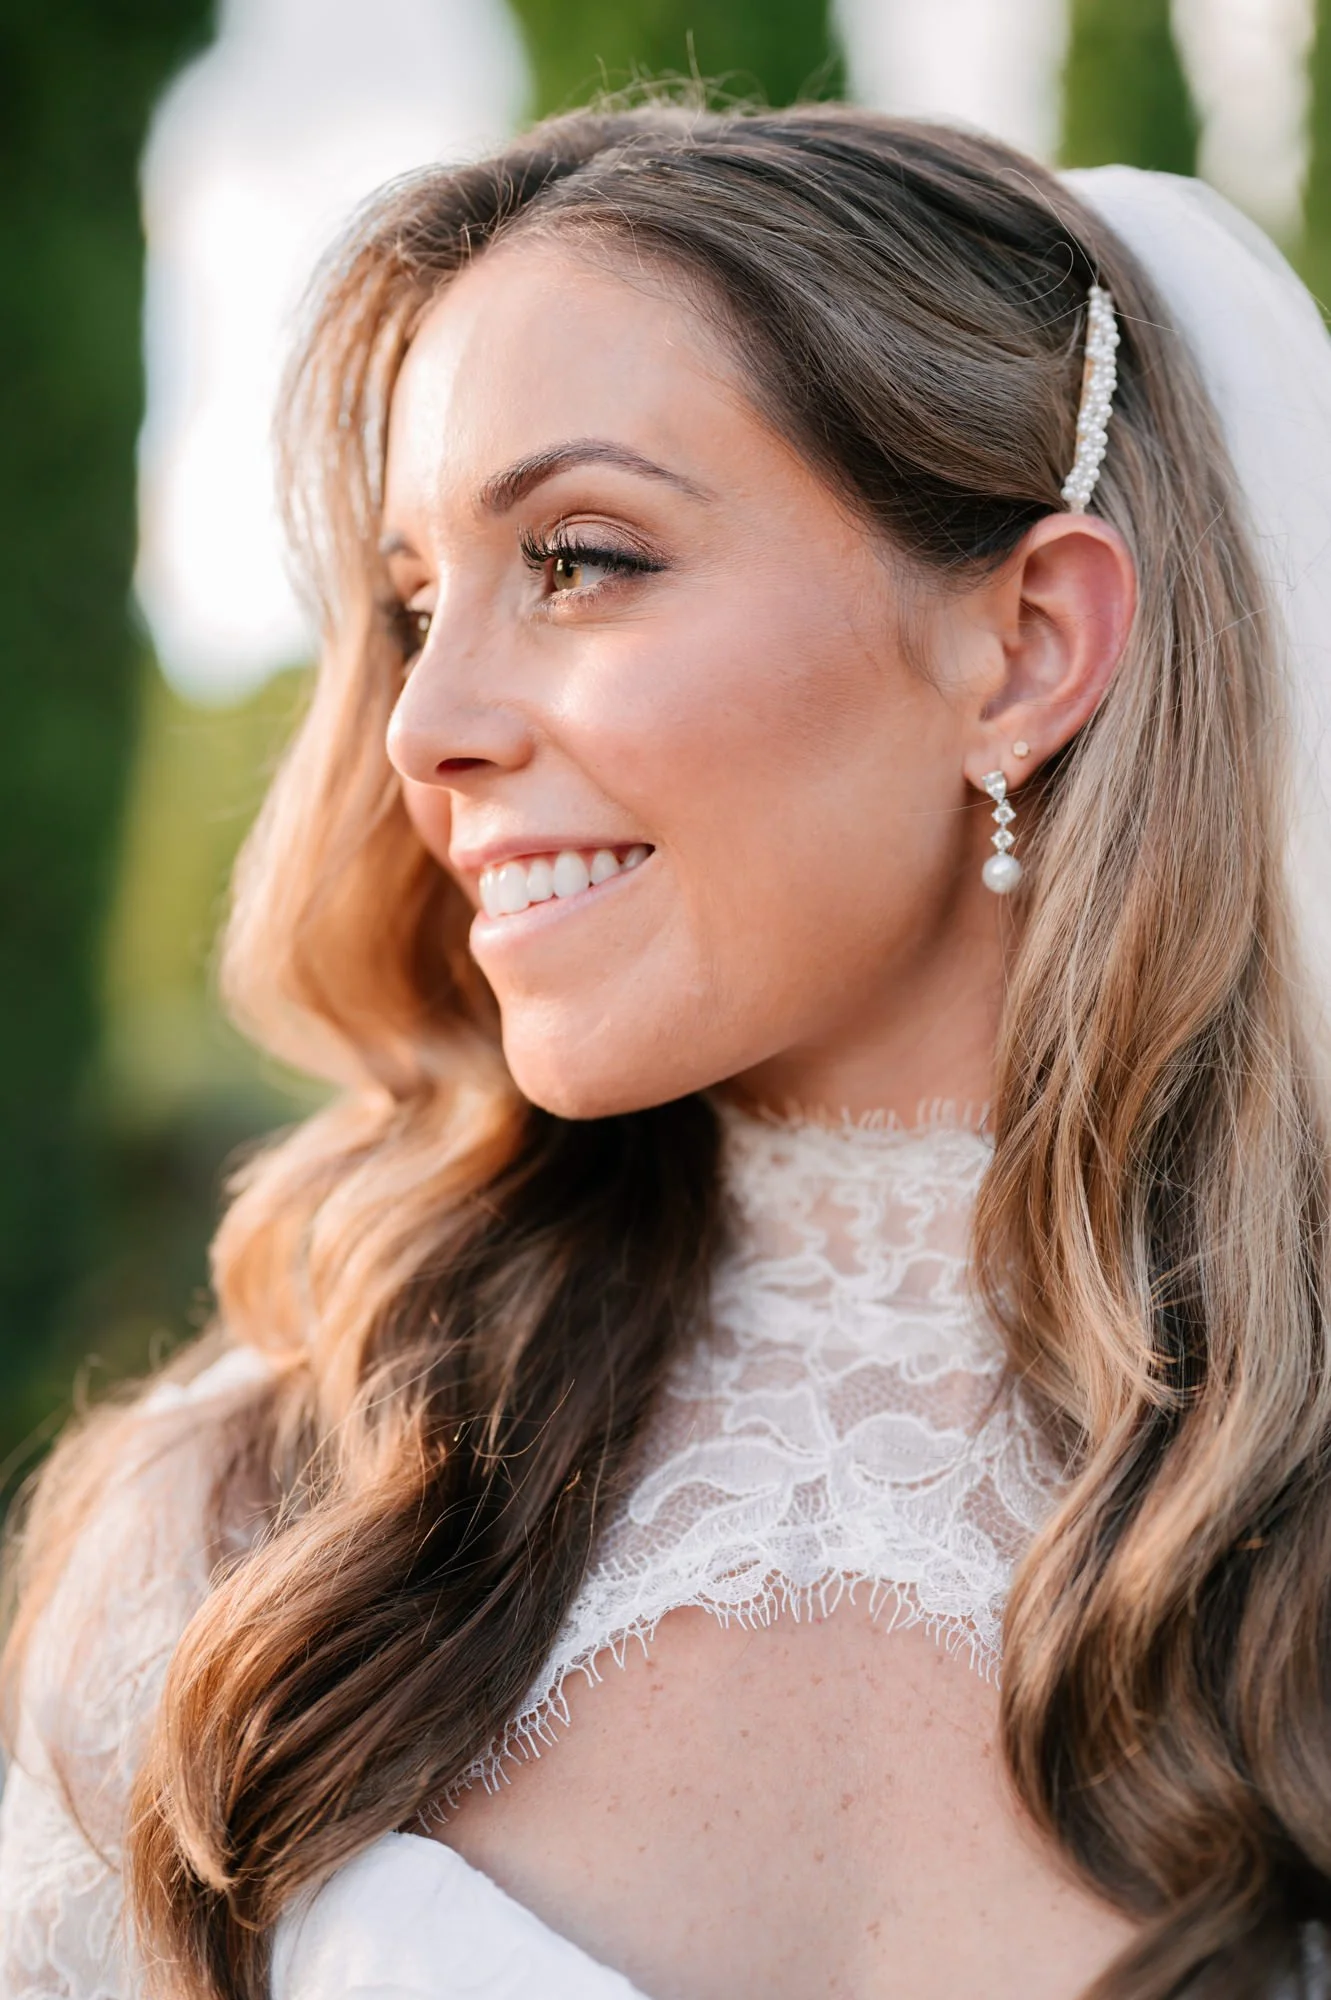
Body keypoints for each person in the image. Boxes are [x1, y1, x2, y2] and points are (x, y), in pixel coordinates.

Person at [4, 99, 1331, 2000]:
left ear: (1030, 644)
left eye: (582, 557)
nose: (421, 726)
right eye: (408, 603)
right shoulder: (247, 1532)